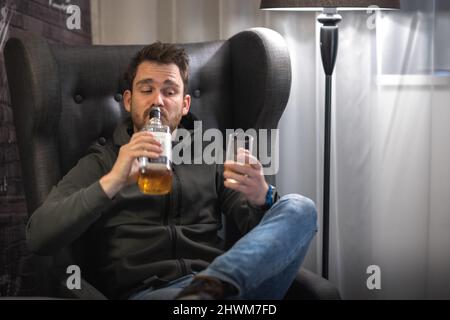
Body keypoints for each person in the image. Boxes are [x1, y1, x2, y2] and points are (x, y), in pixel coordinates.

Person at [26, 42, 318, 300]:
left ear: (184, 104)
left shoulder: (210, 156)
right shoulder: (103, 162)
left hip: (227, 288)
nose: (157, 101)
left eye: (169, 91)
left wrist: (262, 199)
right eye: (146, 89)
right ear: (129, 100)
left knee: (300, 207)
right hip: (152, 294)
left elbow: (263, 240)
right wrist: (111, 183)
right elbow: (38, 236)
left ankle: (206, 291)